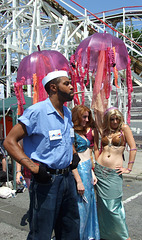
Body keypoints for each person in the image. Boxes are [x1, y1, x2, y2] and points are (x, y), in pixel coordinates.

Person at [3, 70, 80, 240]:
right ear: (53, 87)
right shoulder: (36, 112)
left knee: (70, 228)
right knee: (41, 232)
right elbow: (9, 141)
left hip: (67, 179)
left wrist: (73, 153)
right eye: (66, 83)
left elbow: (66, 138)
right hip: (47, 181)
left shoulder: (67, 112)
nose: (71, 86)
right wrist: (34, 168)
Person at [94, 107, 137, 240]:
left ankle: (124, 237)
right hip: (99, 170)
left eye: (117, 118)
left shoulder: (124, 128)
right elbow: (96, 146)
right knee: (101, 206)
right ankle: (105, 234)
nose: (114, 121)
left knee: (113, 206)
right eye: (112, 119)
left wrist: (129, 168)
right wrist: (96, 161)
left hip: (113, 173)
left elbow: (133, 148)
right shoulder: (105, 129)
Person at [72, 105, 100, 240]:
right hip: (80, 171)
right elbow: (71, 159)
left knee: (88, 205)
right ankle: (79, 236)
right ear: (77, 117)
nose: (87, 120)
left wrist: (92, 173)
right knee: (81, 207)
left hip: (87, 171)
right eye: (84, 117)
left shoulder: (83, 132)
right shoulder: (72, 133)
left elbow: (88, 153)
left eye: (88, 117)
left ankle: (88, 235)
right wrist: (78, 181)